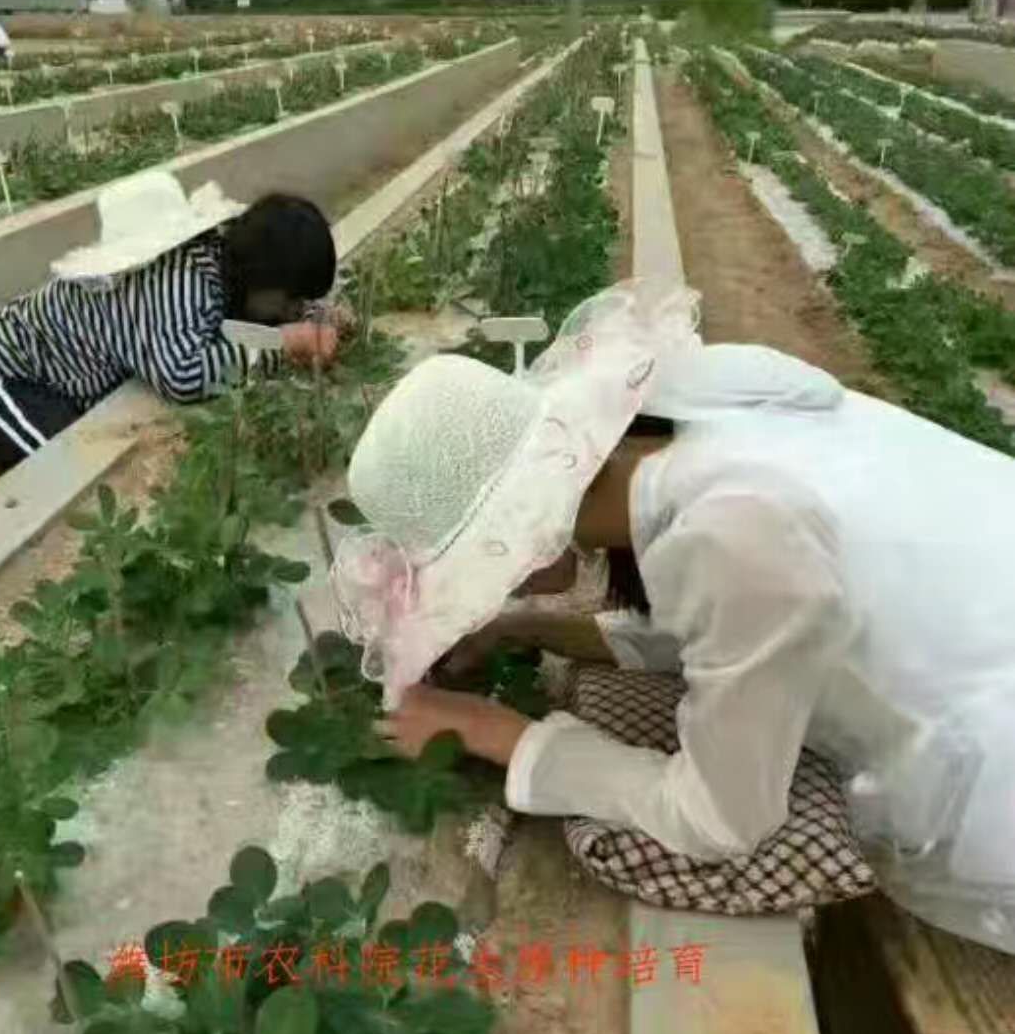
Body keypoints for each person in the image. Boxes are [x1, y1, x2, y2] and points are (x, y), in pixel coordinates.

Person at [332, 277, 1015, 955]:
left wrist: (492, 732)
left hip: (989, 776)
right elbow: (732, 633)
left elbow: (719, 818)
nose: (497, 587)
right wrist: (522, 627)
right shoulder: (693, 418)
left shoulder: (732, 537)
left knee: (630, 839)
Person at [0, 170, 343, 475]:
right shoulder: (180, 280)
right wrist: (285, 344)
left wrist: (317, 318)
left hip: (64, 386)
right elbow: (184, 375)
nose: (292, 310)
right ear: (262, 275)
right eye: (292, 300)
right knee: (68, 480)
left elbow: (233, 326)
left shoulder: (225, 268)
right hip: (7, 381)